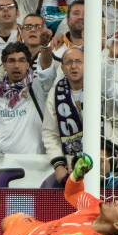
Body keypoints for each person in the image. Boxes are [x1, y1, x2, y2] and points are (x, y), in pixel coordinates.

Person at [42, 47, 84, 185]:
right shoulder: (55, 93)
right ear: (63, 67)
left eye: (78, 61)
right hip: (69, 165)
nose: (73, 66)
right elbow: (49, 133)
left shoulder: (100, 89)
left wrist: (108, 156)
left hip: (100, 161)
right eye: (69, 62)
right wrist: (58, 165)